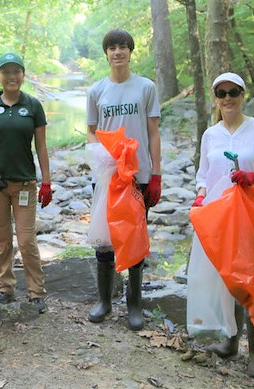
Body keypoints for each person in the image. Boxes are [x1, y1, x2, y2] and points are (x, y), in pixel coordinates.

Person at [187, 72, 254, 379]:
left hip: (251, 215)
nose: (227, 98)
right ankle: (230, 342)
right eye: (221, 93)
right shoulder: (210, 135)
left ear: (243, 95)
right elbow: (203, 175)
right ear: (215, 98)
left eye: (233, 92)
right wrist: (201, 196)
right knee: (226, 279)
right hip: (218, 218)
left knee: (252, 282)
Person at [85, 29, 161, 329]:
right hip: (108, 175)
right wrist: (100, 155)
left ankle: (134, 305)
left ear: (131, 51)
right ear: (106, 53)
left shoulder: (145, 87)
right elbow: (91, 130)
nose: (118, 52)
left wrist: (155, 173)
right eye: (113, 48)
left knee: (135, 238)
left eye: (123, 47)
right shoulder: (96, 91)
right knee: (104, 240)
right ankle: (104, 301)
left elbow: (153, 131)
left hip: (138, 175)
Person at [0, 53, 52, 314]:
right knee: (2, 240)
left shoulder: (33, 105)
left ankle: (36, 292)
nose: (12, 76)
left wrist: (47, 181)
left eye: (17, 71)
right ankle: (5, 288)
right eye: (6, 72)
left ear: (23, 75)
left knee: (27, 240)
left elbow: (41, 146)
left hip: (25, 184)